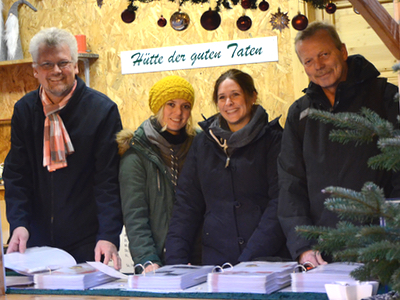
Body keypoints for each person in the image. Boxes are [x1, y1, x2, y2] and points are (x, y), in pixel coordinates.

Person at [278, 21, 399, 266]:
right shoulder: (300, 113)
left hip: (383, 250)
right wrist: (303, 247)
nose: (318, 66)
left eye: (324, 54)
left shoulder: (385, 97)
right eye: (308, 61)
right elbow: (291, 184)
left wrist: (392, 238)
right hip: (323, 255)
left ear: (342, 51)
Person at [3, 27, 123, 269]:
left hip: (88, 242)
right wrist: (18, 224)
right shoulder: (24, 111)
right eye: (47, 64)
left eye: (63, 63)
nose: (56, 71)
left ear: (76, 66)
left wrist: (109, 236)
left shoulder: (102, 111)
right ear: (35, 70)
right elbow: (17, 175)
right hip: (35, 242)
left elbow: (108, 181)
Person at [165, 69, 290, 266]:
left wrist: (248, 260)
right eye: (222, 97)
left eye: (235, 95)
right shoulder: (202, 144)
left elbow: (280, 203)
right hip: (216, 262)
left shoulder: (274, 141)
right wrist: (175, 261)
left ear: (252, 96)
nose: (228, 103)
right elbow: (187, 204)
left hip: (266, 261)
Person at [117, 75, 197, 273]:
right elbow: (135, 215)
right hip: (158, 259)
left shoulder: (199, 145)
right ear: (159, 107)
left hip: (197, 256)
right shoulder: (136, 152)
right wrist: (147, 258)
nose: (178, 113)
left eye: (185, 106)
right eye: (171, 104)